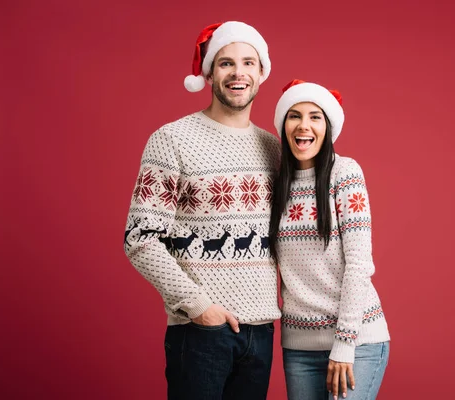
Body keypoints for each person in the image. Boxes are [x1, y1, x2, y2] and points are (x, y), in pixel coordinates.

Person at [123, 21, 281, 400]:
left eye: (248, 62)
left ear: (261, 72)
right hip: (200, 331)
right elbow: (139, 238)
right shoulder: (172, 139)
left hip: (261, 331)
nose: (238, 73)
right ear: (209, 73)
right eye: (226, 63)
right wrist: (198, 307)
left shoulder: (274, 149)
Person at [269, 80, 391, 400]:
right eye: (294, 116)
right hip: (298, 348)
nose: (303, 125)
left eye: (315, 117)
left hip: (357, 341)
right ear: (284, 124)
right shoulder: (277, 182)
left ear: (328, 126)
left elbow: (359, 264)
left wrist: (344, 343)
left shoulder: (344, 174)